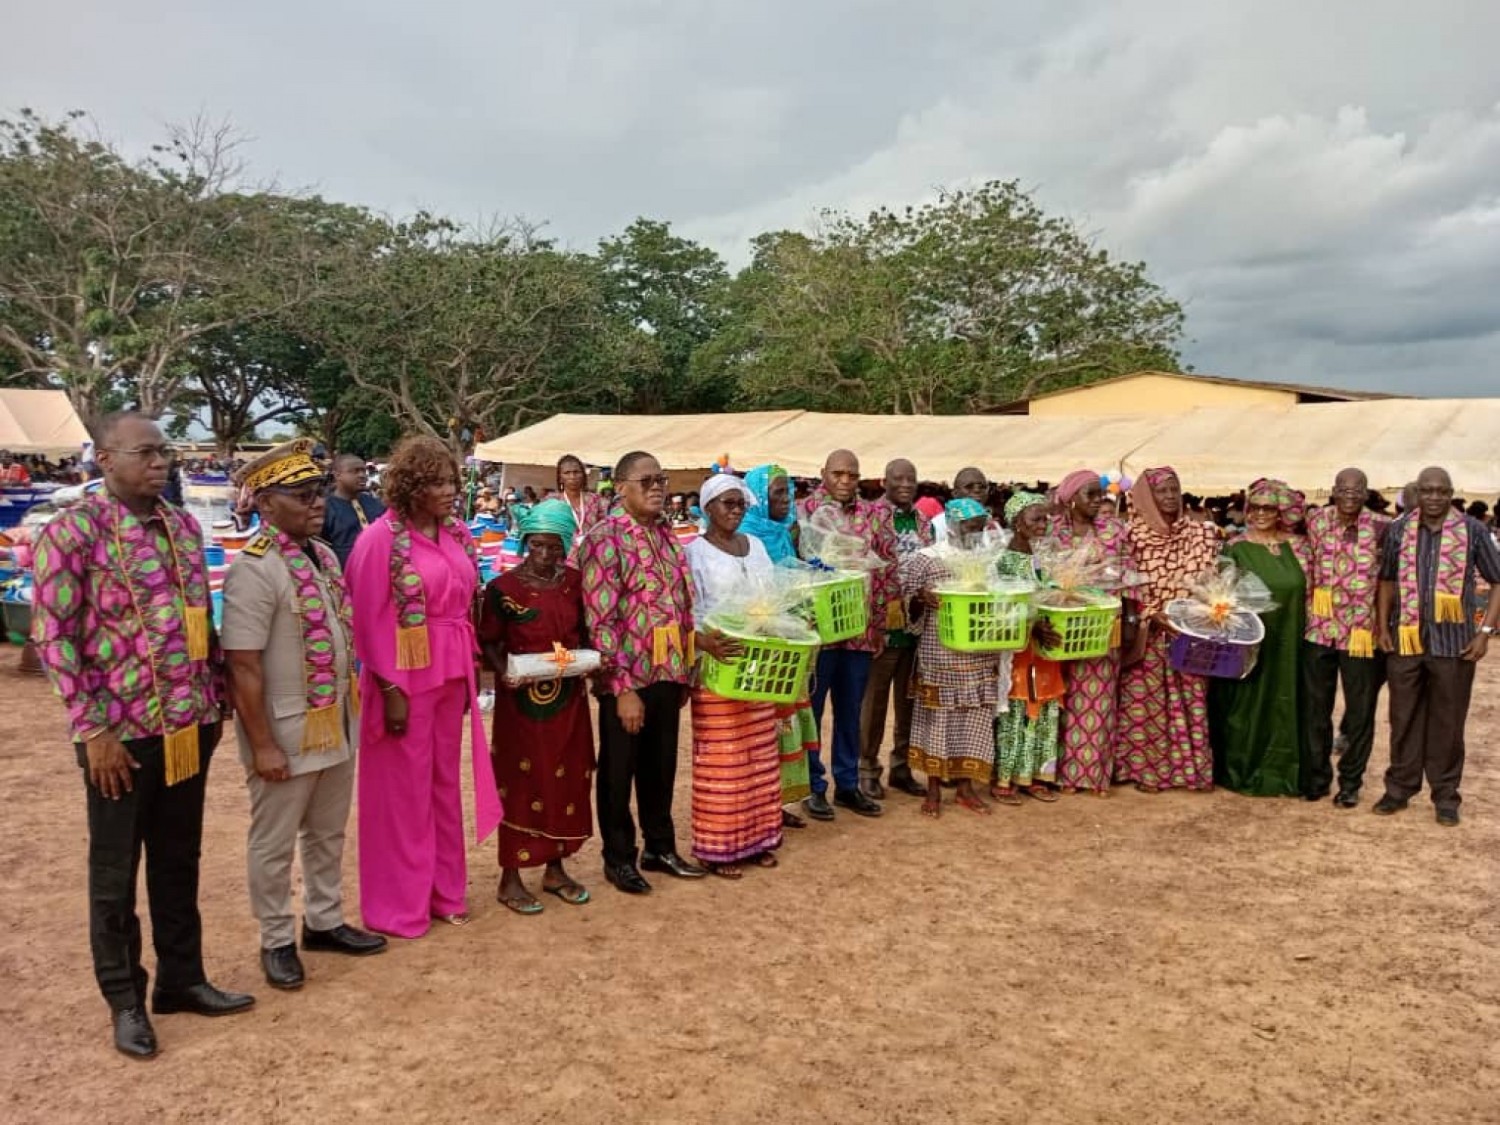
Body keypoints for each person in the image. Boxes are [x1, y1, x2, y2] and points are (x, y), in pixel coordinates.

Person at [31, 411, 252, 1061]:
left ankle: (183, 979)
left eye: (166, 453)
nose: (161, 463)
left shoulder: (183, 526)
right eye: (146, 452)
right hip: (118, 737)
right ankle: (125, 997)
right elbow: (53, 636)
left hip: (188, 725)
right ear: (104, 458)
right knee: (114, 869)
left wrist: (218, 690)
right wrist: (92, 728)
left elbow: (195, 618)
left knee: (179, 858)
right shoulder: (72, 533)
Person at [222, 441, 386, 990]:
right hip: (286, 728)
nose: (316, 503)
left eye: (317, 492)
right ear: (266, 505)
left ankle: (324, 919)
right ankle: (275, 939)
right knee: (273, 841)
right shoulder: (254, 569)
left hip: (335, 717)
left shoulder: (325, 555)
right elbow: (243, 665)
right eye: (301, 495)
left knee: (326, 831)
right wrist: (262, 743)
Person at [345, 436, 501, 936]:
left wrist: (472, 665)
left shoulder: (457, 533)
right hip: (404, 678)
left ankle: (446, 892)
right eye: (437, 481)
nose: (450, 489)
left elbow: (465, 602)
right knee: (402, 794)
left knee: (443, 787)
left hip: (450, 671)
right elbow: (366, 620)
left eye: (452, 480)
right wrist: (389, 688)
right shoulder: (380, 540)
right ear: (410, 487)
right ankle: (400, 904)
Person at [576, 450, 705, 893]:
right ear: (621, 487)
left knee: (661, 764)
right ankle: (618, 857)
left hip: (667, 672)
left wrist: (686, 668)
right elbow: (599, 619)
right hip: (627, 678)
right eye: (646, 480)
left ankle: (659, 846)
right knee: (618, 769)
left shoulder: (669, 535)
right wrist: (621, 687)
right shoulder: (604, 537)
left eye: (662, 480)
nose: (657, 487)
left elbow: (682, 603)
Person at [478, 499, 595, 914]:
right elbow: (489, 640)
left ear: (565, 546)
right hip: (522, 705)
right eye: (538, 546)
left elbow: (585, 632)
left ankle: (555, 868)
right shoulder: (503, 590)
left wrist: (586, 660)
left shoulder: (574, 584)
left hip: (568, 701)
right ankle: (510, 877)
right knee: (522, 779)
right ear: (526, 542)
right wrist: (503, 672)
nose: (545, 555)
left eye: (554, 547)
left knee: (566, 777)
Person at [1373, 466, 1500, 826]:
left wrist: (1484, 631)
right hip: (1406, 639)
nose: (1433, 497)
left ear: (1450, 493)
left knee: (1448, 721)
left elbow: (1497, 581)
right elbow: (1385, 582)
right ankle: (1398, 789)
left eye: (1440, 491)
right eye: (1426, 491)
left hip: (1455, 644)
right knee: (1403, 718)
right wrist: (1383, 626)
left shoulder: (1473, 531)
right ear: (1417, 492)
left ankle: (1445, 796)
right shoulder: (1399, 529)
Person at [684, 474, 784, 876]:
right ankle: (719, 846)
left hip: (758, 661)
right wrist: (705, 643)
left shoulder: (756, 545)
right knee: (724, 760)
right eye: (727, 504)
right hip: (718, 663)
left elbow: (774, 594)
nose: (735, 510)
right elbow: (689, 608)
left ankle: (758, 837)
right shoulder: (695, 552)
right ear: (707, 508)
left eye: (740, 503)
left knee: (759, 755)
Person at [798, 449, 899, 819]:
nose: (844, 481)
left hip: (858, 631)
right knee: (812, 709)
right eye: (837, 473)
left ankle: (848, 783)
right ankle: (813, 786)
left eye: (851, 475)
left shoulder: (874, 515)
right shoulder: (804, 511)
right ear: (823, 473)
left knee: (850, 710)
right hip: (819, 631)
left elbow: (887, 568)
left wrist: (881, 625)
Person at [1114, 467, 1221, 792]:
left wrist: (1199, 613)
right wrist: (1153, 614)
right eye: (1161, 491)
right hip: (1150, 632)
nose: (1170, 497)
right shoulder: (1130, 536)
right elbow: (1124, 588)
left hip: (1191, 632)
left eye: (1175, 489)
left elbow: (1214, 580)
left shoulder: (1202, 534)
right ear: (1146, 496)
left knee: (1191, 701)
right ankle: (1147, 773)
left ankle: (1190, 771)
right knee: (1145, 705)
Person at [901, 498, 1008, 817]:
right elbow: (908, 606)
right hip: (940, 653)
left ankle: (965, 788)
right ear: (951, 526)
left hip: (978, 654)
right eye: (969, 527)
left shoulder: (987, 560)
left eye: (979, 528)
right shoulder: (928, 559)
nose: (974, 534)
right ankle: (933, 789)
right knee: (938, 720)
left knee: (974, 719)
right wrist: (921, 599)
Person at [1208, 479, 1308, 798]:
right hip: (1252, 640)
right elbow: (1221, 592)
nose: (1261, 514)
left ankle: (1284, 772)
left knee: (1288, 700)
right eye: (1256, 507)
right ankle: (1243, 769)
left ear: (1280, 512)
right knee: (1248, 703)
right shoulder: (1235, 547)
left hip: (1292, 639)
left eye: (1269, 508)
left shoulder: (1300, 546)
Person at [1302, 468, 1390, 807]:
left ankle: (1350, 782)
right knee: (1315, 709)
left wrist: (1384, 625)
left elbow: (1388, 581)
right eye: (1343, 489)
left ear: (1367, 493)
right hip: (1319, 629)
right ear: (1334, 491)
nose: (1350, 495)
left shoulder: (1383, 528)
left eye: (1357, 489)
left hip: (1361, 633)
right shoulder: (1316, 521)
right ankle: (1317, 777)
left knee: (1360, 712)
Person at [1047, 469, 1133, 795]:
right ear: (1069, 499)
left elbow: (1129, 576)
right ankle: (1053, 773)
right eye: (1090, 495)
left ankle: (1089, 775)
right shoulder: (1052, 531)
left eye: (1101, 495)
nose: (1099, 501)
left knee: (1096, 700)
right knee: (1058, 698)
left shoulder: (1114, 530)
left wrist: (1130, 623)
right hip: (1058, 625)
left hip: (1100, 626)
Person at [741, 463, 815, 827]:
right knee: (759, 723)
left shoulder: (784, 534)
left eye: (789, 492)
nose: (787, 501)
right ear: (756, 498)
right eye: (778, 493)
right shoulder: (744, 537)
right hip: (758, 644)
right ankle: (759, 802)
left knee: (786, 723)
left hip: (788, 641)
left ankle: (781, 801)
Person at [859, 458, 933, 800]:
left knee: (909, 702)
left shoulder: (922, 521)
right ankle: (867, 769)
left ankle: (901, 767)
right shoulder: (870, 516)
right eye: (898, 478)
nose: (905, 484)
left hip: (915, 624)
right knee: (874, 702)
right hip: (883, 624)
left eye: (911, 478)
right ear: (884, 481)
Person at [992, 492, 1067, 804]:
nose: (1042, 524)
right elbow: (1001, 606)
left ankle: (1036, 774)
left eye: (1045, 518)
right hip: (1019, 650)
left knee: (1045, 711)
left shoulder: (1042, 558)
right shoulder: (1003, 561)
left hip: (1045, 651)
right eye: (1036, 519)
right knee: (1017, 712)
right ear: (1016, 522)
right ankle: (1005, 779)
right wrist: (1031, 624)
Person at [321, 453, 386, 570]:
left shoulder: (375, 503)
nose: (362, 475)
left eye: (363, 471)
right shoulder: (325, 508)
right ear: (337, 475)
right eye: (355, 471)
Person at [928, 466, 990, 542]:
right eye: (969, 487)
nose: (977, 490)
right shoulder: (938, 525)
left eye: (982, 487)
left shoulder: (991, 523)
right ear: (955, 493)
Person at [556, 453, 607, 544]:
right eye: (567, 473)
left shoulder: (596, 500)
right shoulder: (553, 502)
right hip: (563, 553)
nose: (572, 477)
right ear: (560, 478)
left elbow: (605, 528)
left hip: (592, 552)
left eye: (576, 472)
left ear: (583, 475)